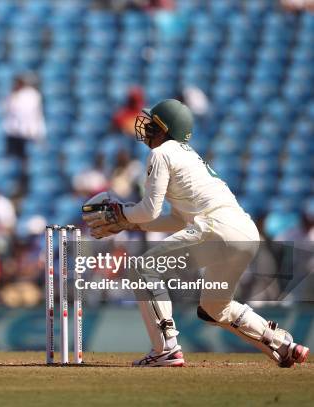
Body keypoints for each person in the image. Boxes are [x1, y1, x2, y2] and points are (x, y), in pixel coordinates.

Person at [82, 99, 309, 368]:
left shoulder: (162, 153)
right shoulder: (186, 155)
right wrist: (131, 222)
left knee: (142, 269)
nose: (147, 128)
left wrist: (123, 215)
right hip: (244, 233)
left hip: (216, 228)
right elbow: (176, 219)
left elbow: (150, 210)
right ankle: (283, 345)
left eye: (153, 124)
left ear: (165, 129)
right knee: (216, 308)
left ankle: (165, 349)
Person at [2, 76, 46, 159]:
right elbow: (6, 109)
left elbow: (25, 111)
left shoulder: (31, 95)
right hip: (15, 132)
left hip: (30, 131)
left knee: (29, 156)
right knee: (15, 156)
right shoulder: (13, 95)